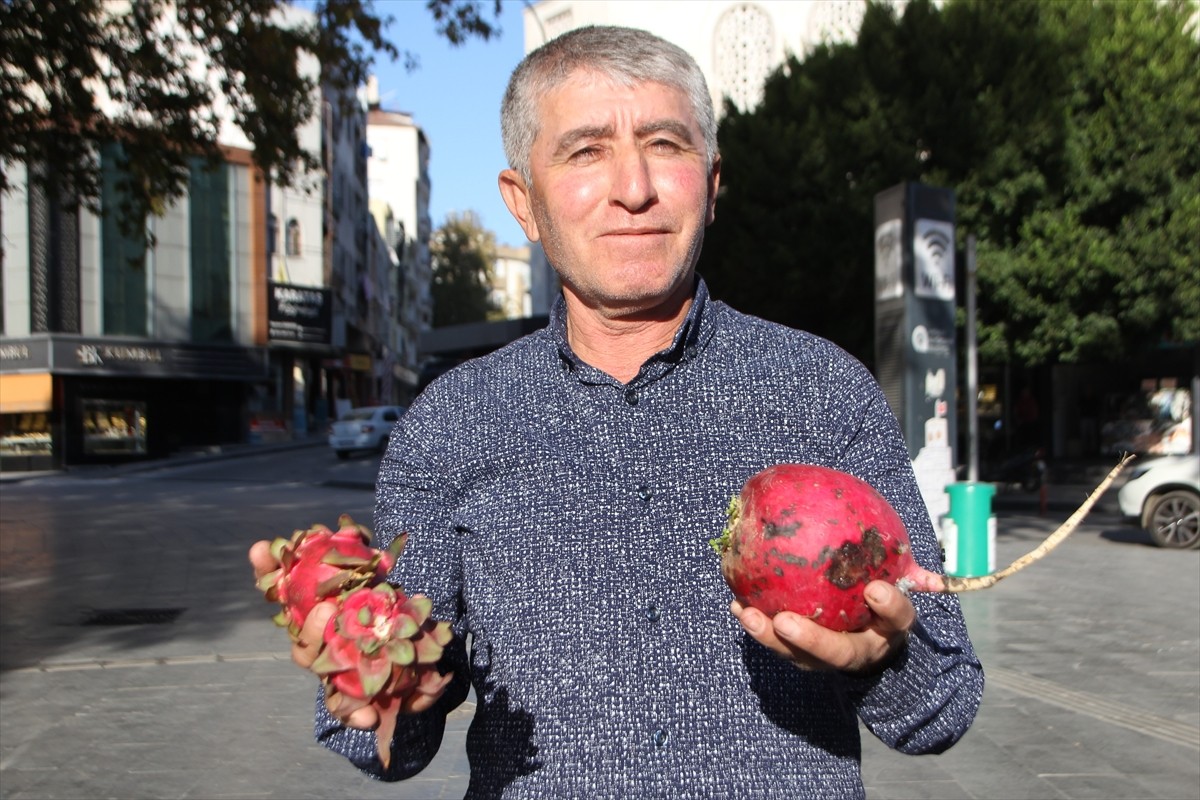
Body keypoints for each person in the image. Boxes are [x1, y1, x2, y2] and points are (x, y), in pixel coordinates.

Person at [250, 24, 982, 798]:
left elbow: (942, 707)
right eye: (585, 150)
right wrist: (370, 685)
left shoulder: (823, 392)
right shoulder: (450, 424)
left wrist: (881, 664)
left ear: (712, 179)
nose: (634, 187)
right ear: (523, 203)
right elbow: (387, 745)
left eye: (666, 144)